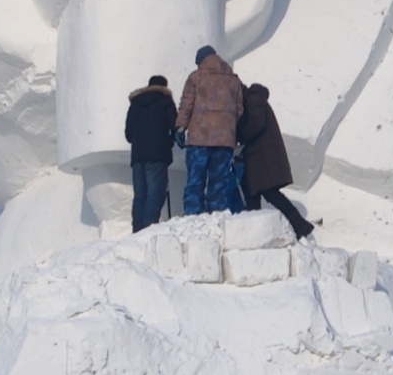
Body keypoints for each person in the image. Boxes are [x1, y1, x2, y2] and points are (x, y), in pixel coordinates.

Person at [236, 83, 313, 240]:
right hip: (258, 158)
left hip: (264, 159)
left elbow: (255, 125)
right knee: (252, 191)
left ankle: (300, 225)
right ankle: (256, 230)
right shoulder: (253, 99)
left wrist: (239, 134)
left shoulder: (253, 100)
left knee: (269, 193)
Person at [176, 45, 245, 216]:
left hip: (199, 139)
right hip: (224, 141)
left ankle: (193, 217)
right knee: (218, 183)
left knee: (195, 181)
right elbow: (239, 110)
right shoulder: (234, 80)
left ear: (201, 61)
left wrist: (180, 127)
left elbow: (187, 106)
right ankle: (216, 217)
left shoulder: (196, 78)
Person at [125, 74, 177, 231]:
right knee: (156, 192)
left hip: (138, 156)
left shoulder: (134, 105)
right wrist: (169, 141)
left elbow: (128, 134)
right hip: (157, 153)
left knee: (140, 194)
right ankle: (148, 229)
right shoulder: (165, 102)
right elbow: (175, 126)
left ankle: (137, 230)